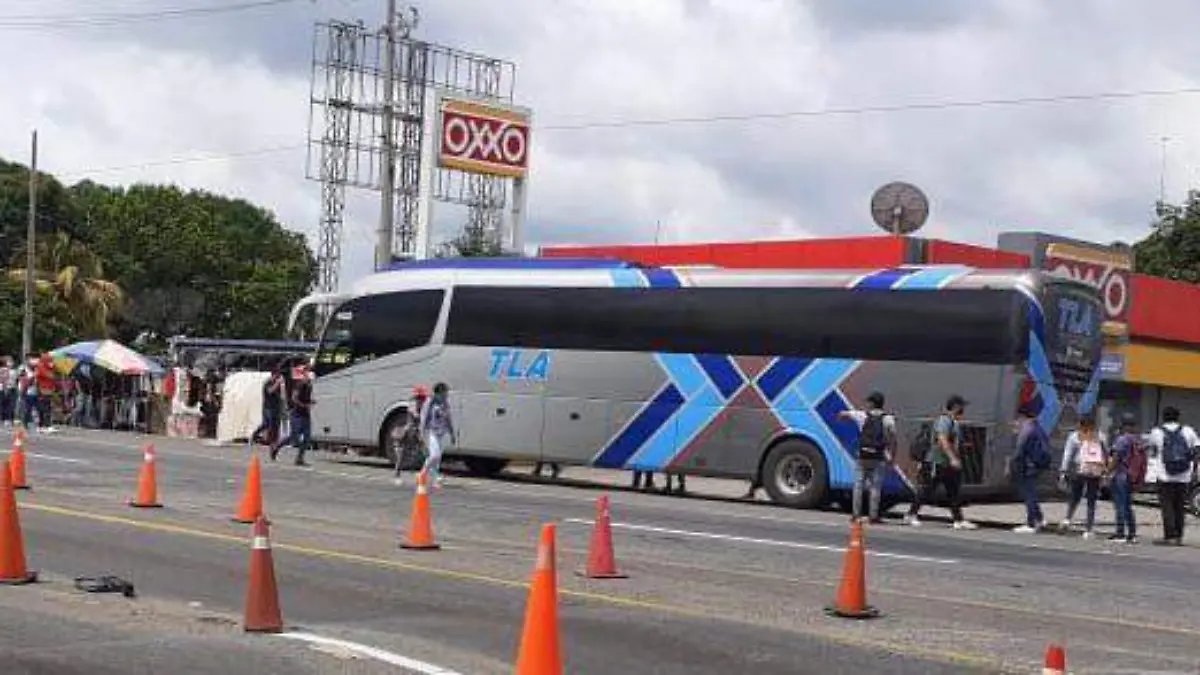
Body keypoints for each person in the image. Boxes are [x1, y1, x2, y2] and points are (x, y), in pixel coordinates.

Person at [906, 395, 976, 529]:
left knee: (953, 491)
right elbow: (942, 439)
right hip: (936, 461)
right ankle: (911, 514)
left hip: (946, 463)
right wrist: (953, 458)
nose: (963, 409)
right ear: (955, 406)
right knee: (927, 489)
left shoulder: (954, 422)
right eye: (962, 406)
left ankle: (958, 520)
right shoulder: (944, 420)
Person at [837, 391, 897, 524]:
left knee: (858, 485)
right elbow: (893, 441)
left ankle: (856, 515)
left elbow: (843, 414)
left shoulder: (862, 415)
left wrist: (841, 416)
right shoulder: (888, 419)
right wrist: (892, 458)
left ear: (872, 403)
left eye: (868, 402)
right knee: (875, 487)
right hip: (878, 457)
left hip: (862, 456)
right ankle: (873, 517)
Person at [1146, 406, 1197, 546]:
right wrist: (1193, 470)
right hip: (1184, 476)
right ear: (1178, 417)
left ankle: (1170, 536)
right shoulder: (1188, 431)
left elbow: (1151, 450)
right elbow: (1196, 450)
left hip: (1165, 476)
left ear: (1163, 417)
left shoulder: (1156, 432)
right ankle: (1179, 536)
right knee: (1180, 507)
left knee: (1167, 507)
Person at [1057, 414, 1108, 538]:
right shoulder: (1100, 436)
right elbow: (1105, 454)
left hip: (1079, 469)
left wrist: (1063, 470)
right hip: (1095, 470)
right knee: (1091, 500)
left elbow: (1068, 454)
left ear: (1080, 424)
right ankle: (1089, 529)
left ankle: (1067, 519)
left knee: (1075, 496)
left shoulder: (1075, 436)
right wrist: (1105, 472)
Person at [1011, 403, 1050, 534]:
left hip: (1028, 465)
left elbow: (1020, 449)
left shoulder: (1027, 429)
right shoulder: (1038, 428)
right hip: (1037, 465)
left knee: (1029, 494)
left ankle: (1031, 523)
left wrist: (1012, 463)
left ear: (1022, 416)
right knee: (1031, 492)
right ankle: (1039, 519)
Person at [270, 362, 314, 467]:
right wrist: (304, 405)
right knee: (294, 437)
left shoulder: (309, 385)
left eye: (310, 372)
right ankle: (276, 447)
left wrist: (311, 402)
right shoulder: (300, 384)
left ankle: (299, 459)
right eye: (308, 372)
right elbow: (294, 398)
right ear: (304, 373)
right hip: (297, 414)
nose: (310, 374)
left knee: (307, 438)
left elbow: (306, 398)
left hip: (305, 414)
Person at [1107, 413, 1142, 544]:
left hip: (1121, 474)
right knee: (1128, 505)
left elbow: (1116, 457)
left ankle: (1120, 533)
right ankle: (1132, 533)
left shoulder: (1122, 440)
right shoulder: (1137, 440)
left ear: (1123, 425)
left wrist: (1107, 471)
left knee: (1120, 505)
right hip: (1132, 475)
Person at [418, 382, 455, 488]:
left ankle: (433, 480)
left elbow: (448, 418)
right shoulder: (430, 402)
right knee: (435, 455)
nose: (447, 394)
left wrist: (452, 433)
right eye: (445, 392)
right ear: (439, 392)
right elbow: (424, 417)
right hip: (431, 431)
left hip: (441, 433)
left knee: (437, 459)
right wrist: (421, 432)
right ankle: (423, 473)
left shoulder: (445, 403)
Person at [394, 386, 429, 486]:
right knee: (402, 455)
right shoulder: (413, 404)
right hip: (408, 433)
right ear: (417, 397)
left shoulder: (421, 406)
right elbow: (416, 415)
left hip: (415, 432)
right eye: (421, 398)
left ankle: (422, 475)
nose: (423, 400)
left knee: (425, 454)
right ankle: (397, 476)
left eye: (423, 398)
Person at [252, 367, 285, 447]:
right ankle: (255, 436)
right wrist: (277, 383)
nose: (279, 377)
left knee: (274, 424)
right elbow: (270, 391)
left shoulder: (277, 383)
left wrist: (282, 404)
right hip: (268, 407)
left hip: (276, 407)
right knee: (267, 424)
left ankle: (272, 440)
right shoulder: (268, 382)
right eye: (277, 375)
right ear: (274, 374)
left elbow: (280, 395)